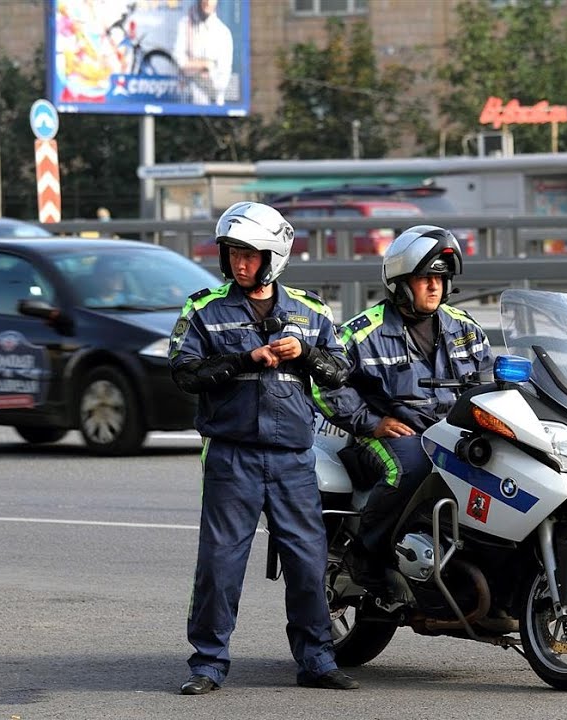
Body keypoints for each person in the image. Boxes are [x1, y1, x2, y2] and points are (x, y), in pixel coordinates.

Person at [169, 201, 359, 695]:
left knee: (308, 560)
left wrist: (309, 354)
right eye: (232, 252)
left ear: (274, 256)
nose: (239, 263)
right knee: (220, 562)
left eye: (250, 254)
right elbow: (184, 373)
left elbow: (341, 372)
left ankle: (316, 660)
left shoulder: (311, 310)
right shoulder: (203, 309)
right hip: (232, 457)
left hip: (296, 460)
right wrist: (242, 359)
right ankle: (208, 663)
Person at [314, 225, 494, 603]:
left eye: (441, 279)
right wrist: (371, 422)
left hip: (453, 435)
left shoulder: (467, 330)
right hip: (383, 437)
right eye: (424, 278)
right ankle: (365, 556)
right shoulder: (364, 333)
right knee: (411, 465)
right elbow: (323, 382)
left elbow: (492, 383)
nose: (434, 287)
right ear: (399, 283)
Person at [173, 0, 233, 105]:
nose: (208, 2)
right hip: (186, 106)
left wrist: (192, 66)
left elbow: (222, 79)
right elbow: (179, 61)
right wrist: (205, 65)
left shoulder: (223, 32)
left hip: (214, 108)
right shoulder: (185, 25)